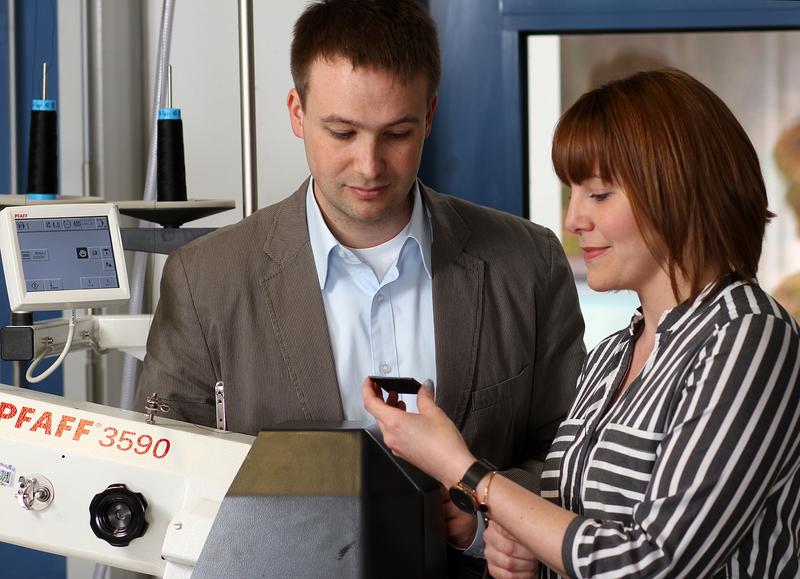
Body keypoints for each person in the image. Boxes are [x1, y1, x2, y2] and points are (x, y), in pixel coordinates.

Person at [135, 0, 585, 575]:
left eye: (397, 133)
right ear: (297, 111)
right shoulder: (206, 280)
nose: (369, 166)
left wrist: (485, 517)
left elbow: (571, 456)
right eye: (342, 132)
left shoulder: (527, 263)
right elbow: (162, 475)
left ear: (430, 116)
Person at [365, 68, 800, 578]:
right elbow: (580, 540)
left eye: (598, 194)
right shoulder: (613, 355)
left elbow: (653, 566)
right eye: (573, 193)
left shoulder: (749, 336)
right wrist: (526, 557)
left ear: (678, 192)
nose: (574, 220)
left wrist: (466, 473)